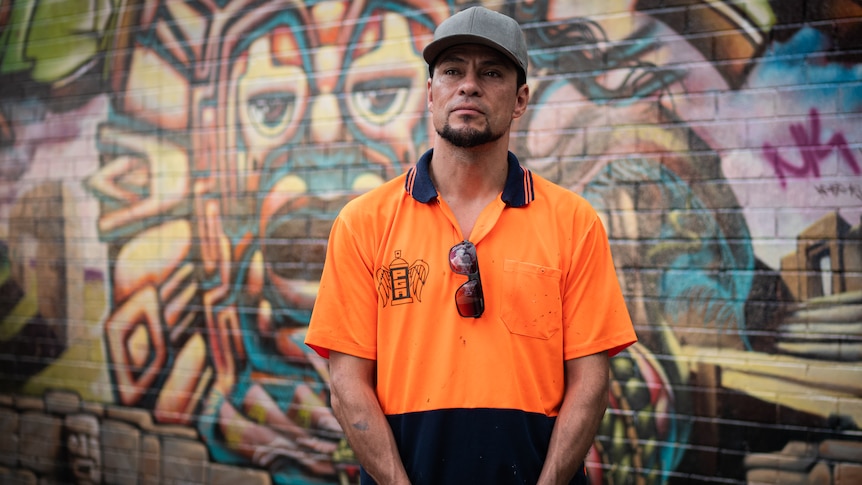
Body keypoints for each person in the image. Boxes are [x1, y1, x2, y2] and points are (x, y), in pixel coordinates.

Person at [305, 6, 637, 484]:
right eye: (452, 70)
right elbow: (347, 383)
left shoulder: (573, 221)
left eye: (492, 72)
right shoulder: (363, 222)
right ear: (430, 93)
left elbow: (589, 380)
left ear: (520, 99)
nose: (469, 85)